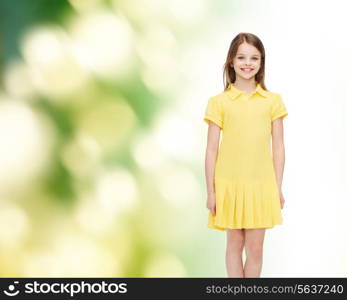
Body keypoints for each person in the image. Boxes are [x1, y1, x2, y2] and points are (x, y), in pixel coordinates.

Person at [203, 32, 288, 278]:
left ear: (262, 63)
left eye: (254, 58)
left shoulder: (273, 101)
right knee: (234, 246)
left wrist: (277, 187)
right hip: (229, 184)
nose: (247, 63)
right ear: (231, 61)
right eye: (241, 57)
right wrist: (212, 191)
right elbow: (211, 149)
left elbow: (279, 147)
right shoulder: (218, 102)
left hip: (261, 186)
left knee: (255, 249)